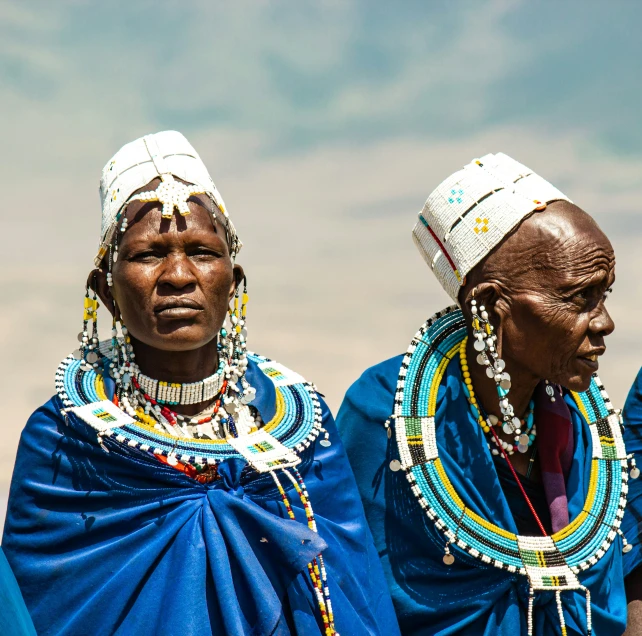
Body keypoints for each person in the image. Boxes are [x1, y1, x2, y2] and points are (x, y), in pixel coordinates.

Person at [2, 131, 399, 636]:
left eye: (202, 251)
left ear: (233, 283)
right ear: (105, 290)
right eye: (148, 254)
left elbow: (353, 598)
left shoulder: (302, 428)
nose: (178, 275)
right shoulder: (62, 442)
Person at [336, 153, 642, 635]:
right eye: (579, 297)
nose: (604, 323)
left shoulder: (580, 428)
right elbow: (357, 597)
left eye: (604, 296)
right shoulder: (386, 415)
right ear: (488, 306)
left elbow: (607, 599)